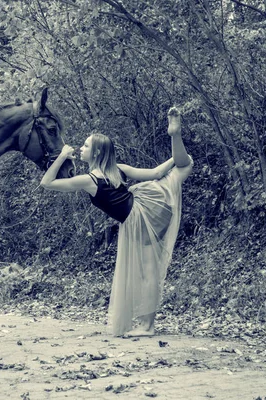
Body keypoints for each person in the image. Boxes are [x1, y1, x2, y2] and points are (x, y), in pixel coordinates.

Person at [40, 107, 193, 337]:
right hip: (148, 208)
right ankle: (176, 136)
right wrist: (175, 158)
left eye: (86, 146)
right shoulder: (118, 169)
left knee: (149, 272)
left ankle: (148, 327)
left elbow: (47, 183)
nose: (81, 148)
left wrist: (61, 155)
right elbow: (155, 173)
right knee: (183, 167)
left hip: (138, 217)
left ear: (97, 153)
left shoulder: (89, 181)